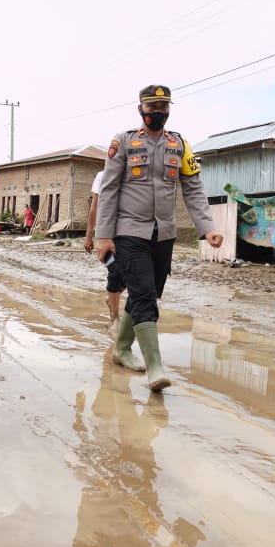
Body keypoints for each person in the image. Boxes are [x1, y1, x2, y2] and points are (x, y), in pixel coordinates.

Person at [95, 85, 224, 391]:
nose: (158, 113)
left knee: (147, 294)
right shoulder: (123, 142)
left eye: (163, 107)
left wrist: (207, 227)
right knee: (142, 292)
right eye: (152, 107)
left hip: (163, 233)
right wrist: (103, 235)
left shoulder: (179, 145)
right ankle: (155, 367)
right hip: (128, 231)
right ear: (140, 109)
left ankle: (121, 349)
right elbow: (109, 189)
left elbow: (192, 188)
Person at [84, 169, 124, 330]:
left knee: (129, 274)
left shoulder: (133, 174)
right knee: (114, 272)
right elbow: (94, 208)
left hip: (127, 233)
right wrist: (88, 236)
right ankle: (114, 318)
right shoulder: (102, 176)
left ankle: (112, 297)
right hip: (106, 235)